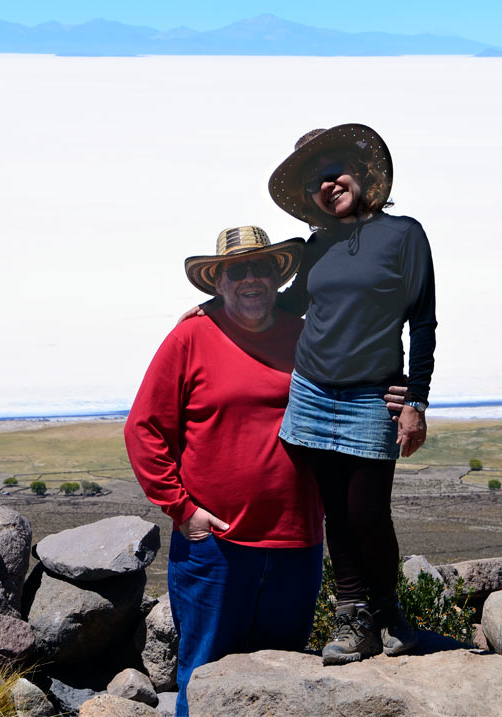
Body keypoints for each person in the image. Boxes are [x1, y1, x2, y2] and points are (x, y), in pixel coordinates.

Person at [125, 226, 323, 715]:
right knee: (205, 676)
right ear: (218, 281)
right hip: (215, 546)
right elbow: (144, 428)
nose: (250, 278)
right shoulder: (191, 336)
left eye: (261, 267)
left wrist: (404, 395)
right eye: (238, 270)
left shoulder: (305, 334)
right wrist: (181, 508)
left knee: (282, 684)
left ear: (278, 276)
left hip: (296, 543)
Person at [268, 123, 437, 665]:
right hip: (313, 392)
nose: (328, 185)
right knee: (336, 516)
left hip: (371, 398)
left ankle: (387, 611)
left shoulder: (404, 235)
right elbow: (288, 307)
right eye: (316, 181)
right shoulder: (317, 246)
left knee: (368, 512)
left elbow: (423, 323)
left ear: (361, 172)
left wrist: (416, 401)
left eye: (334, 171)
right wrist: (214, 309)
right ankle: (352, 618)